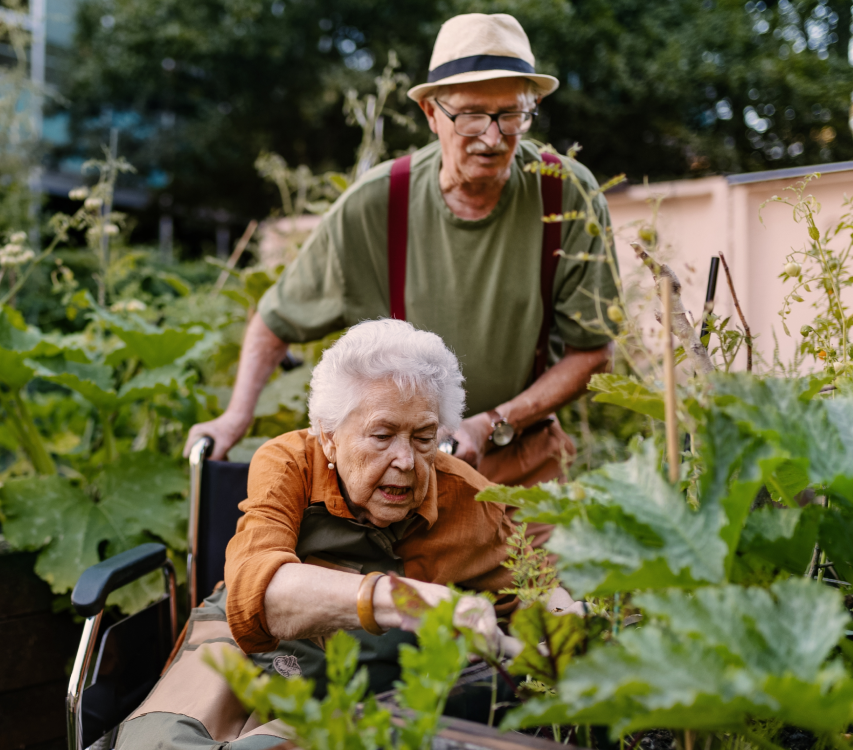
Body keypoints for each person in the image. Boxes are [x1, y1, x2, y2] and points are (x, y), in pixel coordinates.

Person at [186, 13, 618, 489]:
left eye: (512, 114)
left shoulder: (565, 194)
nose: (493, 138)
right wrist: (235, 416)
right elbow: (275, 321)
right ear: (432, 114)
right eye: (472, 114)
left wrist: (493, 422)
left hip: (521, 457)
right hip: (396, 471)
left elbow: (593, 352)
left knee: (545, 567)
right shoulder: (376, 205)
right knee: (387, 569)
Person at [117, 320, 577, 749]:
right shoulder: (289, 463)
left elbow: (542, 594)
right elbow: (260, 593)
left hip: (366, 674)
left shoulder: (474, 503)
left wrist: (567, 627)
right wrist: (410, 600)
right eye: (382, 435)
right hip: (249, 639)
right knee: (156, 741)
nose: (406, 461)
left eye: (423, 438)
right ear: (329, 436)